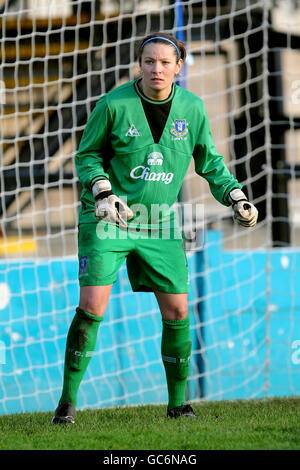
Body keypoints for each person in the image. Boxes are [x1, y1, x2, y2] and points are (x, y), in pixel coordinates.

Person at [51, 32, 258, 424]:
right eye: (149, 61)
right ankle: (66, 404)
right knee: (92, 306)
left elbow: (210, 163)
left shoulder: (193, 109)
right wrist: (102, 191)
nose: (156, 68)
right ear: (139, 64)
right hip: (108, 216)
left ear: (179, 67)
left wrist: (235, 196)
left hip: (159, 221)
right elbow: (87, 155)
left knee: (179, 309)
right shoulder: (113, 104)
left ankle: (178, 406)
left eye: (165, 62)